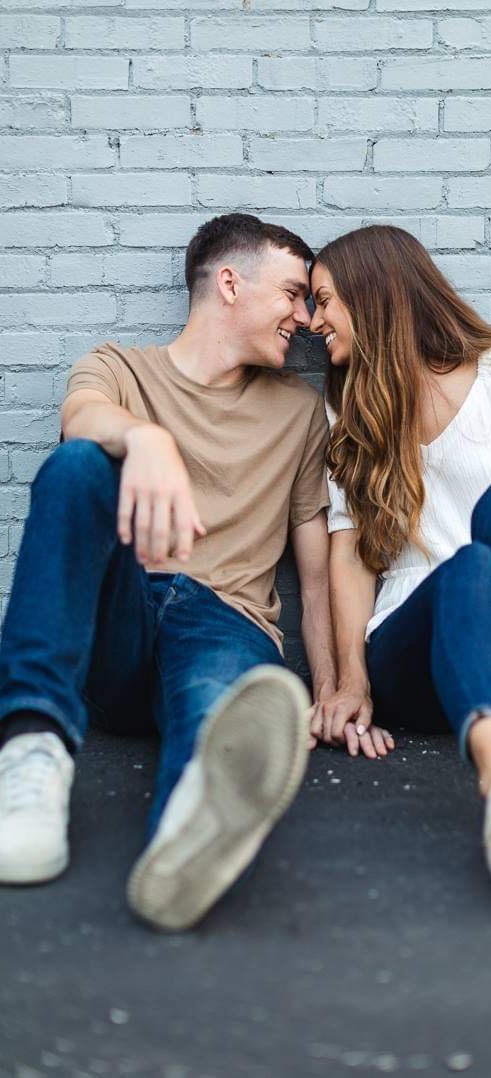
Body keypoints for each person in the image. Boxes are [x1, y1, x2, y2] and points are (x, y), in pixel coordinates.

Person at [0, 213, 340, 931]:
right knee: (77, 466)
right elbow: (82, 416)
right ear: (228, 283)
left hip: (225, 620)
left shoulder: (301, 413)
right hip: (121, 622)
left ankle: (189, 830)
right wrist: (145, 436)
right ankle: (31, 762)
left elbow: (313, 577)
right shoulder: (119, 368)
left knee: (215, 711)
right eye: (292, 294)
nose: (305, 319)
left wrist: (335, 690)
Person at [309, 224, 491, 886]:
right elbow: (350, 556)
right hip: (416, 656)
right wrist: (351, 681)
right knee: (467, 567)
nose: (313, 319)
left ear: (372, 292)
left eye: (324, 299)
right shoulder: (348, 409)